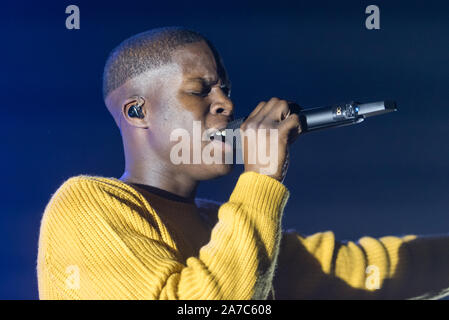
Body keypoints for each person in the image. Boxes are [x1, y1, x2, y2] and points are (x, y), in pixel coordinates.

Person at [37, 27, 449, 300]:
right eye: (200, 91)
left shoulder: (225, 225)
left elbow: (358, 269)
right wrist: (261, 177)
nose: (227, 104)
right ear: (136, 112)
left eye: (226, 89)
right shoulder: (87, 204)